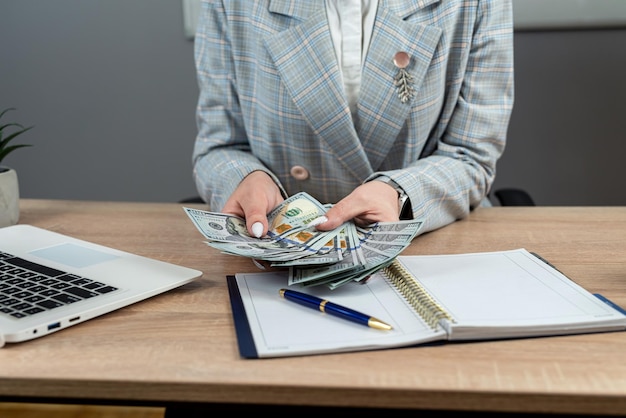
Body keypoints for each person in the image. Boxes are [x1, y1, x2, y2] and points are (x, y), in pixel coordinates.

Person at [192, 0, 514, 239]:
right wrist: (245, 178)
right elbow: (219, 148)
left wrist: (399, 194)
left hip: (426, 243)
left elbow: (471, 156)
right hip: (280, 252)